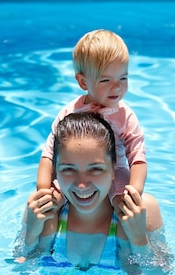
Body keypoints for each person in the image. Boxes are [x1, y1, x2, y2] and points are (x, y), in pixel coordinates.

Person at [16, 111, 171, 275]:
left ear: (114, 166)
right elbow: (21, 268)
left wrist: (139, 239)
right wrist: (32, 231)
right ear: (55, 170)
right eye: (68, 170)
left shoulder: (141, 209)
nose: (82, 184)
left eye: (95, 169)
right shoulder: (44, 210)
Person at [36, 29, 147, 216]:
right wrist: (43, 189)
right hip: (75, 173)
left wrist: (134, 192)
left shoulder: (125, 116)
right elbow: (49, 153)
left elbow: (137, 157)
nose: (117, 86)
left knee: (124, 204)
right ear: (83, 82)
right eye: (105, 79)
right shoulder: (70, 113)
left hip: (114, 171)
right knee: (50, 203)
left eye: (123, 78)